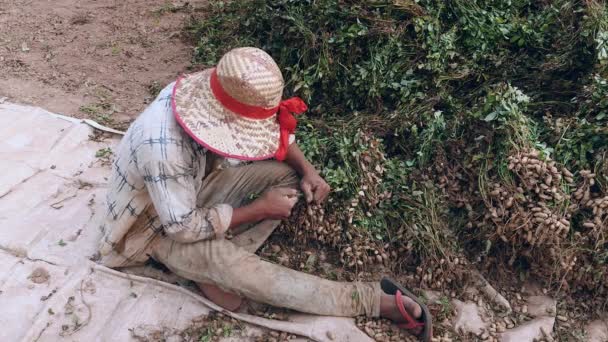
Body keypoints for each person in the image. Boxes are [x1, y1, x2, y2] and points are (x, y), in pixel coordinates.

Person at [97, 47, 432, 340]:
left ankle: (208, 269)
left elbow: (277, 137)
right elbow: (182, 227)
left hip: (196, 189)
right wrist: (258, 210)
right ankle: (368, 301)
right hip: (149, 231)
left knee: (288, 176)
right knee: (234, 269)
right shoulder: (164, 148)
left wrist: (309, 172)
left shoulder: (219, 91)